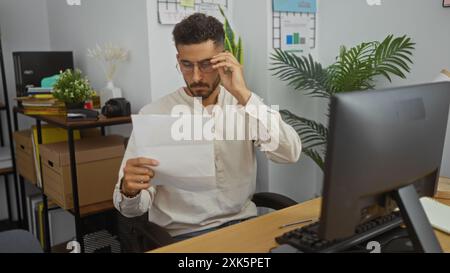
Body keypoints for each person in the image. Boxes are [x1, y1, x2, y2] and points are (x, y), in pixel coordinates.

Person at [113, 13, 302, 241]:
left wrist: (243, 94)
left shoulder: (244, 106)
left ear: (223, 59)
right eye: (186, 65)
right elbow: (131, 209)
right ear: (178, 59)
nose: (196, 77)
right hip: (187, 236)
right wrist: (129, 190)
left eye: (206, 65)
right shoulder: (155, 114)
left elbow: (289, 153)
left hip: (245, 226)